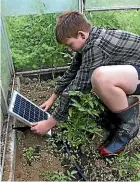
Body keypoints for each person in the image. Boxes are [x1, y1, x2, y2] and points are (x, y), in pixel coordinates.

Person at [31, 11, 140, 156]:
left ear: (82, 35)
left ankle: (129, 126)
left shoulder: (96, 47)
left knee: (99, 78)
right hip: (134, 70)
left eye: (70, 44)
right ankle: (118, 115)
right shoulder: (89, 40)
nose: (69, 49)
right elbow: (73, 71)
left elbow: (78, 86)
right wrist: (53, 97)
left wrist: (49, 123)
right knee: (96, 79)